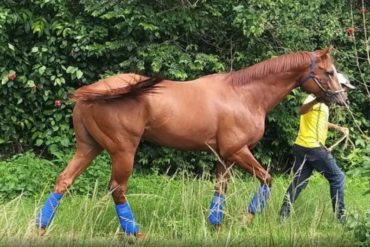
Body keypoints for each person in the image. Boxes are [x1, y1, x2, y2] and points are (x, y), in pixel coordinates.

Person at [279, 73, 355, 223]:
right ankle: (341, 219)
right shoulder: (316, 100)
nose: (345, 93)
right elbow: (302, 110)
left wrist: (338, 128)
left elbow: (319, 121)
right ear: (336, 86)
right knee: (338, 178)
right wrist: (317, 99)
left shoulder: (322, 104)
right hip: (314, 149)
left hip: (301, 147)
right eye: (344, 89)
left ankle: (283, 216)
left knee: (299, 183)